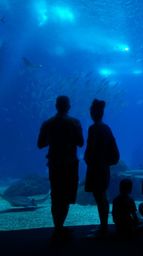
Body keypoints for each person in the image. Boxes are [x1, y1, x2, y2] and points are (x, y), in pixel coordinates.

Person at [37, 95, 84, 238]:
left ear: (56, 106)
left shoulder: (48, 123)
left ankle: (57, 227)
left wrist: (53, 139)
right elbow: (81, 142)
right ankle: (60, 227)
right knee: (66, 196)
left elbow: (40, 144)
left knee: (56, 196)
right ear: (68, 106)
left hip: (55, 164)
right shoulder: (74, 122)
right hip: (70, 164)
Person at [84, 99, 120, 236]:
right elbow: (115, 153)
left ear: (93, 113)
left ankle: (103, 228)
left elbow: (90, 150)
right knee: (102, 196)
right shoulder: (107, 128)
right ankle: (103, 226)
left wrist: (90, 161)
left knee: (100, 197)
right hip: (104, 168)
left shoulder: (93, 128)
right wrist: (106, 162)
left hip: (95, 168)